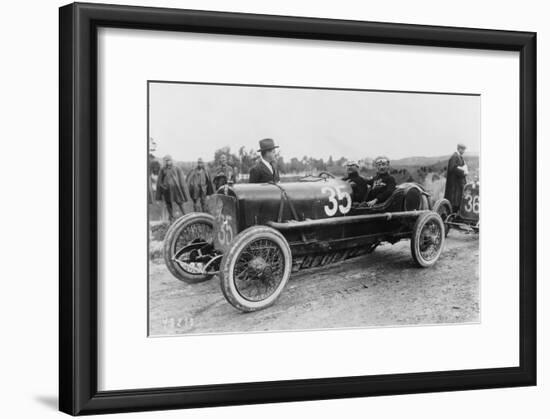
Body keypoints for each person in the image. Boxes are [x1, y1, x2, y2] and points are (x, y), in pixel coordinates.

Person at [155, 155, 188, 222]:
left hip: (176, 190)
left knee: (180, 202)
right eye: (166, 161)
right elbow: (159, 181)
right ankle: (171, 218)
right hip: (167, 190)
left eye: (169, 160)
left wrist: (183, 191)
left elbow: (181, 180)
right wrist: (163, 188)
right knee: (168, 204)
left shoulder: (176, 168)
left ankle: (185, 216)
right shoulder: (162, 169)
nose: (168, 162)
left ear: (171, 160)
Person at [444, 143, 468, 212]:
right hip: (454, 185)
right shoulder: (454, 157)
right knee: (454, 202)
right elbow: (452, 168)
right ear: (459, 149)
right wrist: (463, 172)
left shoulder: (460, 157)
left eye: (464, 150)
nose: (463, 151)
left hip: (459, 184)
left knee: (458, 201)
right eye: (462, 149)